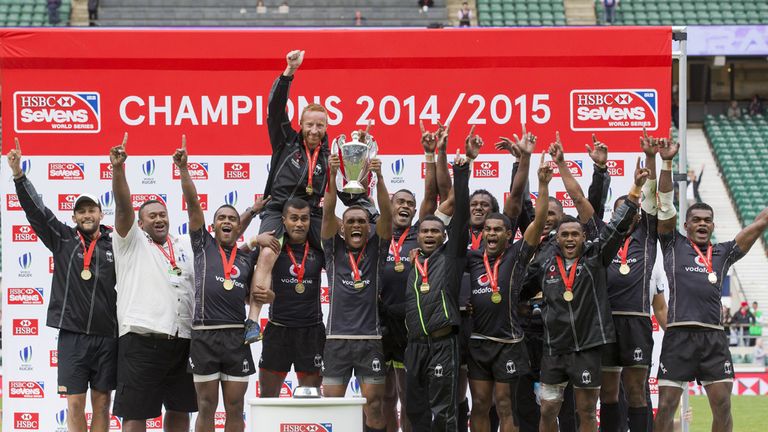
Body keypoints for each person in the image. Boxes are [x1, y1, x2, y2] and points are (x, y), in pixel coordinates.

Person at [245, 49, 374, 343]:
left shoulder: (333, 155)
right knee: (266, 252)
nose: (315, 129)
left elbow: (347, 192)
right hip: (278, 209)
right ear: (301, 124)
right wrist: (288, 72)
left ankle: (347, 316)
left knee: (342, 247)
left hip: (313, 212)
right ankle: (252, 321)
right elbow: (275, 109)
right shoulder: (285, 141)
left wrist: (363, 174)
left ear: (327, 127)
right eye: (310, 124)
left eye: (320, 125)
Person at [653, 132, 768, 432]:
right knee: (665, 406)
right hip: (678, 337)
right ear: (687, 224)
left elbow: (758, 225)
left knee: (723, 406)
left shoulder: (723, 253)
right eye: (697, 220)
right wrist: (667, 163)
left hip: (714, 338)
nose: (702, 224)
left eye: (707, 220)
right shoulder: (672, 244)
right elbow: (664, 206)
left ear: (713, 225)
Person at [535, 135, 649, 432]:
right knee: (547, 409)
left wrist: (635, 189)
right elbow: (517, 291)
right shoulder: (545, 261)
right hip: (554, 346)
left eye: (576, 234)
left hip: (588, 346)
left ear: (584, 236)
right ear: (556, 238)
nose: (570, 239)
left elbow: (616, 221)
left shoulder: (596, 254)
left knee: (587, 411)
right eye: (565, 235)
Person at [8, 138, 117, 432]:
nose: (86, 215)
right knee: (74, 405)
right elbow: (37, 211)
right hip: (73, 337)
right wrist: (19, 175)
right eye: (81, 211)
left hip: (108, 336)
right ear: (74, 217)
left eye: (91, 210)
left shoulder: (115, 245)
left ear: (100, 214)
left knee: (103, 405)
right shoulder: (63, 238)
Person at [513, 133, 611, 432]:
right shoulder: (534, 247)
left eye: (554, 215)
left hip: (578, 335)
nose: (548, 219)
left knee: (579, 410)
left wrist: (599, 171)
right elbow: (520, 204)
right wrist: (522, 163)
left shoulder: (583, 248)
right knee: (536, 405)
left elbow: (589, 204)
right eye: (545, 215)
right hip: (539, 333)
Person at [174, 136, 273, 431]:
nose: (227, 221)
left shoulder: (245, 257)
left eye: (232, 218)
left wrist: (269, 295)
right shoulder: (203, 244)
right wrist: (184, 170)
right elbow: (193, 204)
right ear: (213, 226)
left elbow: (259, 293)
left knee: (235, 406)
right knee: (205, 406)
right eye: (221, 218)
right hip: (204, 336)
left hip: (235, 338)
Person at [110, 133, 198, 432]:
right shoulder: (130, 242)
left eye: (163, 214)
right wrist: (119, 170)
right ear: (141, 222)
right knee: (136, 413)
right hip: (141, 340)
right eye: (151, 216)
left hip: (182, 340)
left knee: (180, 409)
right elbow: (122, 209)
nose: (159, 219)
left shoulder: (183, 245)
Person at [466, 147, 551, 432]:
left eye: (497, 229)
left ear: (507, 233)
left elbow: (537, 221)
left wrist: (543, 183)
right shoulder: (471, 257)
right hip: (478, 340)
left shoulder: (516, 255)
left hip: (509, 342)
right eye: (487, 229)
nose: (491, 233)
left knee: (504, 404)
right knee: (480, 403)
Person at [404, 134, 477, 432]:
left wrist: (463, 172)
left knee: (444, 411)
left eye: (436, 230)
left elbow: (459, 215)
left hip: (443, 344)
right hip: (414, 346)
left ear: (444, 235)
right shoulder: (412, 259)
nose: (431, 235)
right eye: (425, 232)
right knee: (414, 410)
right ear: (417, 236)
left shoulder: (452, 256)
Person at [320, 150, 392, 432]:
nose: (356, 225)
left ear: (368, 227)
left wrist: (381, 177)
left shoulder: (376, 249)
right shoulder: (332, 249)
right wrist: (330, 176)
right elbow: (327, 211)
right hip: (336, 340)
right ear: (342, 227)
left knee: (375, 406)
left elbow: (386, 214)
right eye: (350, 221)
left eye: (362, 221)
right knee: (334, 409)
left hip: (369, 339)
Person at [599, 130, 659, 432]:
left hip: (636, 321)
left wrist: (650, 157)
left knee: (636, 391)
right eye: (624, 208)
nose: (630, 213)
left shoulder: (646, 237)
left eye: (633, 208)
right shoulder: (603, 239)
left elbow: (650, 201)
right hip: (606, 322)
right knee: (608, 392)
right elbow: (585, 203)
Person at [258, 198, 326, 396]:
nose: (299, 224)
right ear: (284, 220)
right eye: (294, 218)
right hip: (278, 331)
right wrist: (254, 240)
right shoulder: (271, 249)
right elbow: (240, 258)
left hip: (311, 333)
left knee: (310, 400)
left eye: (304, 219)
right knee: (268, 400)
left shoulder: (319, 250)